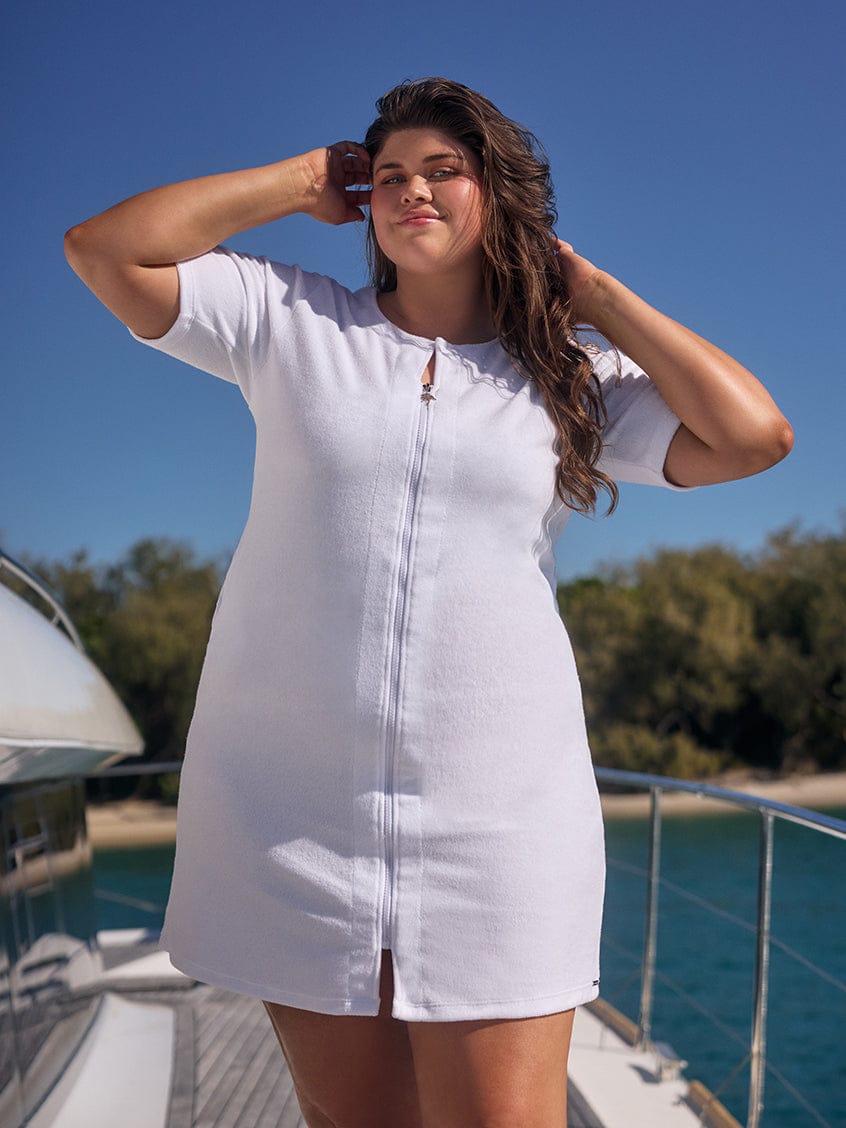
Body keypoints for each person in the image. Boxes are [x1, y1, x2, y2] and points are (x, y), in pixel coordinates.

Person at [64, 77, 792, 1128]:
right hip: (293, 815)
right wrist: (299, 181)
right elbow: (104, 250)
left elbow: (755, 437)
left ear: (499, 197)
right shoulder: (291, 322)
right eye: (392, 175)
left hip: (500, 818)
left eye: (445, 171)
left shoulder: (569, 380)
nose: (414, 190)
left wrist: (597, 298)